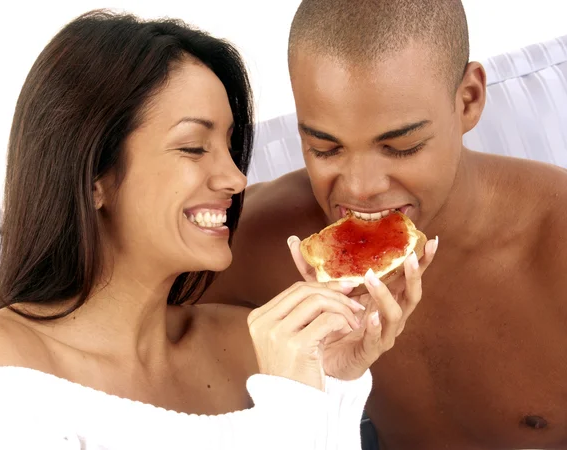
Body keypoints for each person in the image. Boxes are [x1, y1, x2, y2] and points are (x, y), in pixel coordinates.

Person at [0, 10, 429, 450]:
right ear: (94, 179)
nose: (235, 178)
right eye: (192, 147)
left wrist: (338, 378)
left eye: (230, 147)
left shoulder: (260, 340)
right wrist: (292, 409)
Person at [199, 0, 567, 449]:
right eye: (325, 149)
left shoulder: (557, 240)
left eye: (402, 147)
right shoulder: (265, 239)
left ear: (468, 100)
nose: (360, 188)